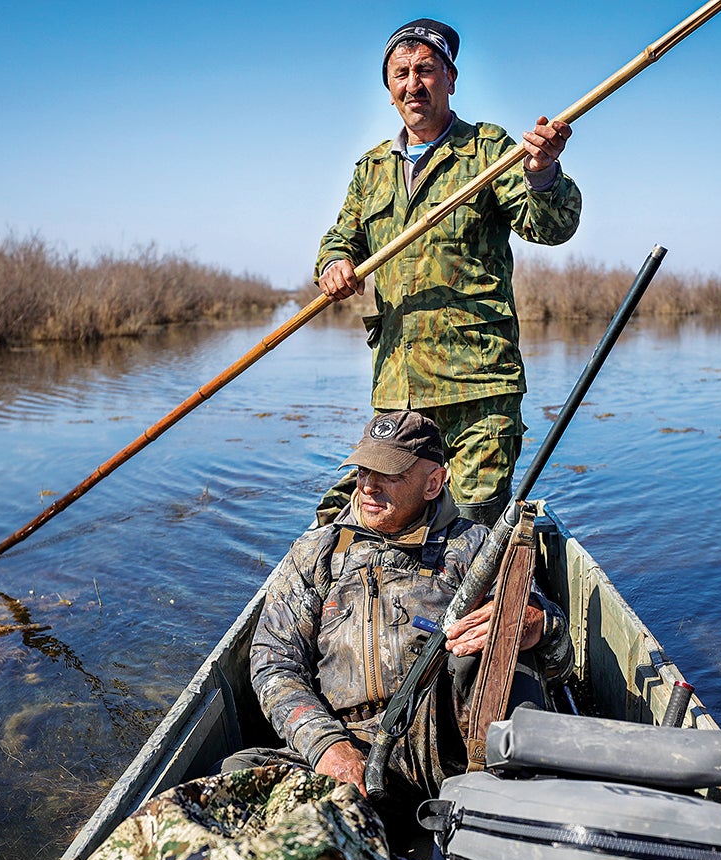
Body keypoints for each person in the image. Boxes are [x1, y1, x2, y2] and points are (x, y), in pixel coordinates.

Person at [315, 18, 582, 527]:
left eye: (426, 70)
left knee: (473, 522)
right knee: (383, 519)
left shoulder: (489, 150)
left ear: (451, 79)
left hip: (477, 383)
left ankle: (473, 604)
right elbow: (339, 238)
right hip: (398, 385)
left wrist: (543, 172)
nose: (413, 83)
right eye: (401, 73)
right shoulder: (370, 170)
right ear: (388, 88)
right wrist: (333, 264)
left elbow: (550, 227)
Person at [233, 410, 573, 807]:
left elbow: (557, 664)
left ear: (433, 483)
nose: (368, 487)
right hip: (349, 743)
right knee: (240, 775)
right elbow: (272, 663)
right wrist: (327, 746)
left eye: (389, 475)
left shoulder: (477, 547)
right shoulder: (317, 554)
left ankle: (511, 798)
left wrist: (536, 621)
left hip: (455, 747)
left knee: (503, 645)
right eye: (363, 471)